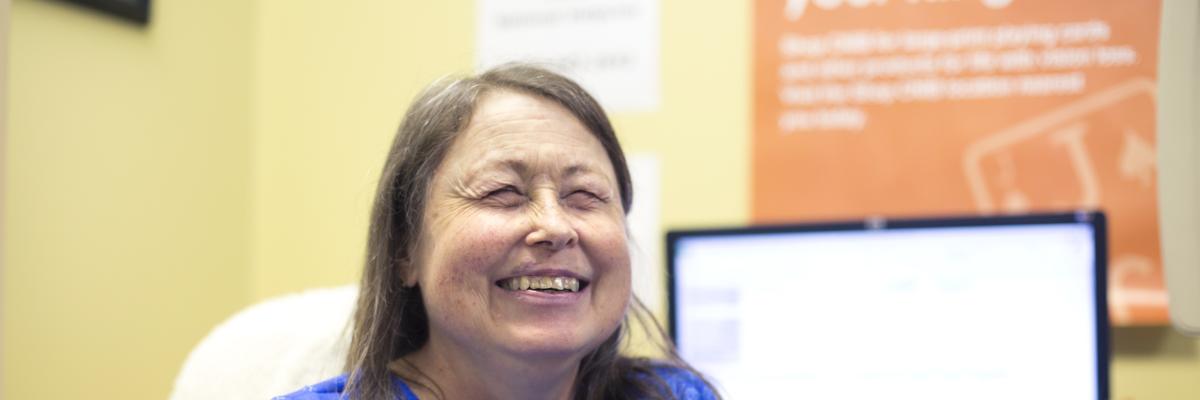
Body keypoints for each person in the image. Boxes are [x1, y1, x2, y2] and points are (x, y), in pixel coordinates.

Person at [275, 64, 721, 400]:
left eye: (584, 194)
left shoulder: (675, 393)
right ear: (404, 251)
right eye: (501, 192)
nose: (554, 226)